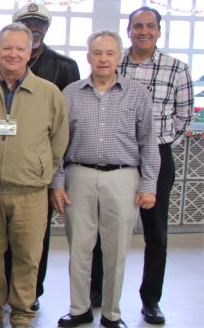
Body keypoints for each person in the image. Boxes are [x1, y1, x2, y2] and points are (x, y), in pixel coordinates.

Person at [51, 31, 160, 328]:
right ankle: (79, 309)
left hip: (123, 177)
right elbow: (57, 143)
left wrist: (149, 186)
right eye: (97, 52)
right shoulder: (70, 93)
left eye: (110, 53)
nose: (103, 59)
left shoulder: (136, 93)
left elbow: (149, 141)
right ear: (88, 56)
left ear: (119, 57)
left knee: (116, 250)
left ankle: (112, 314)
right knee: (79, 249)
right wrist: (57, 183)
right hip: (79, 176)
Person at [0, 23, 68, 328]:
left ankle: (24, 312)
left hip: (30, 190)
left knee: (28, 256)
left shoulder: (49, 93)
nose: (13, 54)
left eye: (20, 49)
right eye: (6, 48)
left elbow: (59, 140)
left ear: (30, 52)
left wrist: (44, 173)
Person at [0, 3, 82, 312]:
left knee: (32, 246)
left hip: (36, 176)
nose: (34, 27)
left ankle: (29, 298)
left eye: (38, 24)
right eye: (27, 22)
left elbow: (62, 132)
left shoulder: (65, 67)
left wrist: (51, 173)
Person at [117, 6, 193, 325]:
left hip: (158, 156)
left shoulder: (176, 68)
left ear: (159, 31)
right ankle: (96, 294)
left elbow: (184, 115)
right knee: (107, 229)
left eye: (150, 26)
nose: (143, 31)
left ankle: (151, 299)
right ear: (129, 30)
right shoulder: (114, 62)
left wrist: (157, 145)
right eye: (137, 26)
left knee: (156, 233)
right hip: (118, 156)